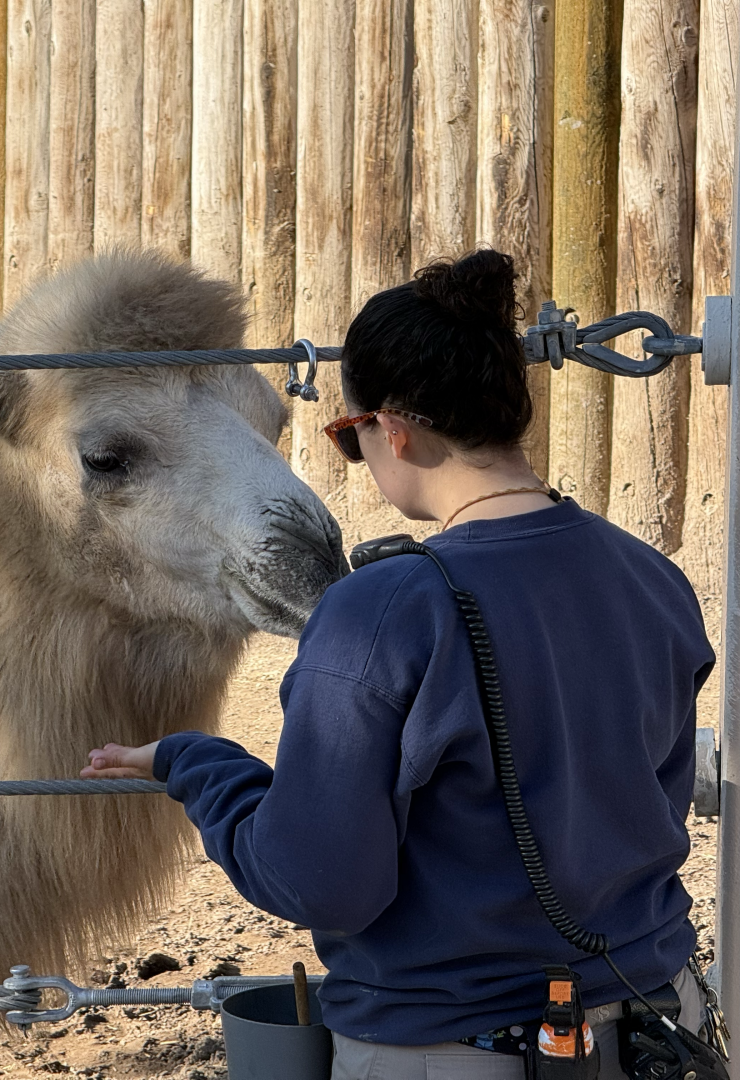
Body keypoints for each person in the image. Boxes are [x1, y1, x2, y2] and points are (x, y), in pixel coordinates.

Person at [82, 250, 716, 1079]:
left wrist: (196, 764)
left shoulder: (382, 613)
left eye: (349, 439)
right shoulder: (653, 579)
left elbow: (321, 880)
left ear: (393, 429)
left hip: (454, 1045)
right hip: (657, 1027)